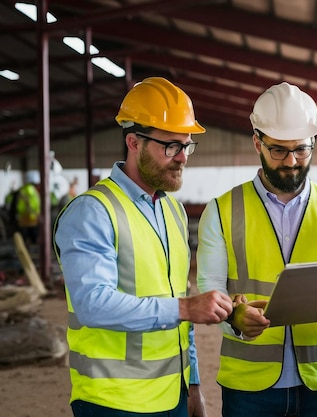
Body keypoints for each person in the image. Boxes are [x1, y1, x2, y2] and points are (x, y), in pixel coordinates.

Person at [53, 77, 234, 417]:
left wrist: (192, 384)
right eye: (170, 146)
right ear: (134, 142)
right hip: (113, 401)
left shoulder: (173, 211)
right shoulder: (92, 212)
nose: (182, 158)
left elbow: (181, 303)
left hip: (173, 395)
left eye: (187, 145)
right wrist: (185, 308)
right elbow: (92, 304)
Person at [196, 82, 317, 417]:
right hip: (249, 386)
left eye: (301, 150)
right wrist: (233, 316)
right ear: (257, 143)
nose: (291, 161)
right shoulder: (222, 210)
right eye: (278, 150)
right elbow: (210, 287)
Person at [15, 170, 41, 245]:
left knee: (24, 239)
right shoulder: (31, 190)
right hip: (31, 218)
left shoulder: (23, 189)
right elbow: (34, 204)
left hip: (23, 217)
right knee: (33, 239)